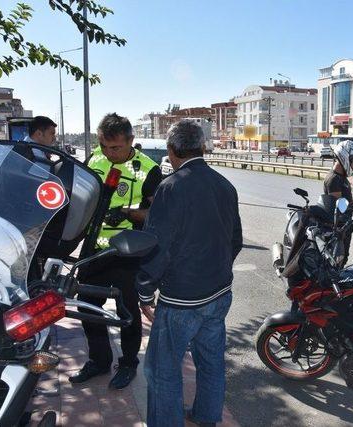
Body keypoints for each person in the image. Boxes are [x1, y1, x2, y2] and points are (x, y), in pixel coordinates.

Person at [137, 120, 242, 427]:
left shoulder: (171, 187)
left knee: (162, 370)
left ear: (171, 151)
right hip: (220, 292)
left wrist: (145, 292)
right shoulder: (225, 185)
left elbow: (157, 248)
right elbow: (234, 239)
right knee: (210, 362)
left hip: (181, 300)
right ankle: (207, 417)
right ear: (203, 147)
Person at [69, 113, 162, 389]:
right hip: (95, 250)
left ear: (131, 141)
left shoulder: (147, 168)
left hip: (129, 253)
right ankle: (99, 360)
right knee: (88, 309)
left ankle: (128, 363)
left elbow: (156, 215)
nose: (109, 153)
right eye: (105, 146)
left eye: (116, 148)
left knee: (127, 311)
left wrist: (126, 214)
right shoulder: (95, 159)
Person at [323, 140, 353, 264]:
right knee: (336, 262)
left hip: (343, 228)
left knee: (342, 260)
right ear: (345, 158)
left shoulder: (341, 178)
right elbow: (340, 207)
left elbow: (344, 203)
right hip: (337, 230)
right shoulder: (333, 179)